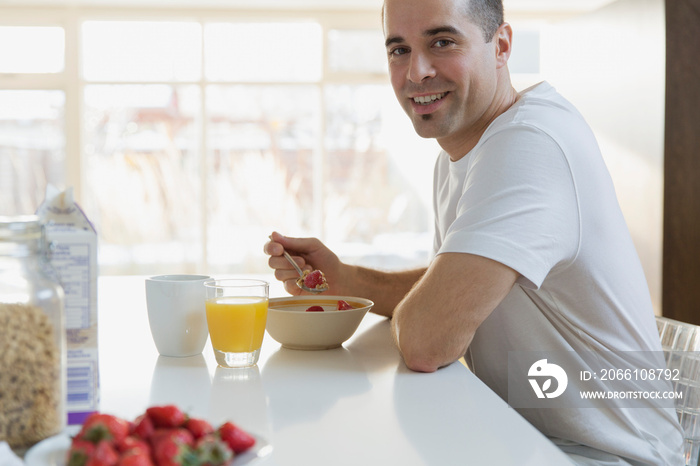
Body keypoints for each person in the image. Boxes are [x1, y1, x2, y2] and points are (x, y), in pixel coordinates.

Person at [264, 0, 684, 464]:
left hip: (606, 456)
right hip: (525, 437)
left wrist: (420, 317)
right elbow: (459, 285)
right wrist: (348, 280)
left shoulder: (528, 144)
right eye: (398, 49)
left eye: (442, 42)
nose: (416, 71)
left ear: (501, 45)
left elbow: (427, 339)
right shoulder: (460, 154)